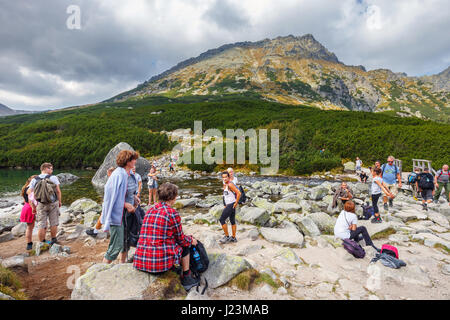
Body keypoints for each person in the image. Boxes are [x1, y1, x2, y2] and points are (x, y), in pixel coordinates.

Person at [133, 183, 200, 291]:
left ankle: (176, 269)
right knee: (186, 246)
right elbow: (181, 239)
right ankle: (187, 276)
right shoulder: (172, 213)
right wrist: (191, 240)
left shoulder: (150, 210)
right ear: (172, 198)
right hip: (158, 264)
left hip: (141, 261)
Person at [101, 150, 139, 264]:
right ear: (128, 161)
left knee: (126, 241)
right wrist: (125, 204)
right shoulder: (118, 174)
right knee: (116, 244)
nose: (135, 161)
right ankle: (102, 269)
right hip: (116, 215)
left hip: (127, 214)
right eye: (133, 159)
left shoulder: (129, 174)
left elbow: (128, 192)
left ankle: (122, 264)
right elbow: (110, 197)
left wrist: (134, 198)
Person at [27, 163, 62, 246]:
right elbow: (58, 191)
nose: (52, 171)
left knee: (41, 224)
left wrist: (33, 205)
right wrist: (59, 201)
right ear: (45, 168)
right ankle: (54, 239)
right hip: (53, 203)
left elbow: (29, 193)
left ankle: (42, 242)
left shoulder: (34, 179)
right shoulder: (53, 178)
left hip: (40, 204)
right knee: (54, 222)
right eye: (51, 169)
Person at [86, 167, 115, 237]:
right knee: (104, 216)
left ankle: (95, 231)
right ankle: (96, 230)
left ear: (110, 173)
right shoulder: (113, 180)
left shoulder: (111, 181)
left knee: (104, 216)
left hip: (109, 203)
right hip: (109, 202)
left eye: (108, 172)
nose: (107, 174)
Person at [219, 171, 241, 244]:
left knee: (222, 219)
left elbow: (239, 193)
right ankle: (233, 238)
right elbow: (225, 195)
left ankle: (227, 236)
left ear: (228, 177)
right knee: (232, 220)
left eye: (226, 177)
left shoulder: (230, 184)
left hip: (231, 204)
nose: (224, 178)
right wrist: (225, 204)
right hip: (229, 204)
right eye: (223, 177)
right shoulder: (225, 185)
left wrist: (236, 203)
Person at [20, 175, 37, 250]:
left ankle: (29, 244)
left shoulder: (25, 188)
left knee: (29, 227)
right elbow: (31, 200)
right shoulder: (31, 189)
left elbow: (24, 201)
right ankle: (30, 243)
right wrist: (34, 208)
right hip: (31, 208)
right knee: (31, 227)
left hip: (26, 207)